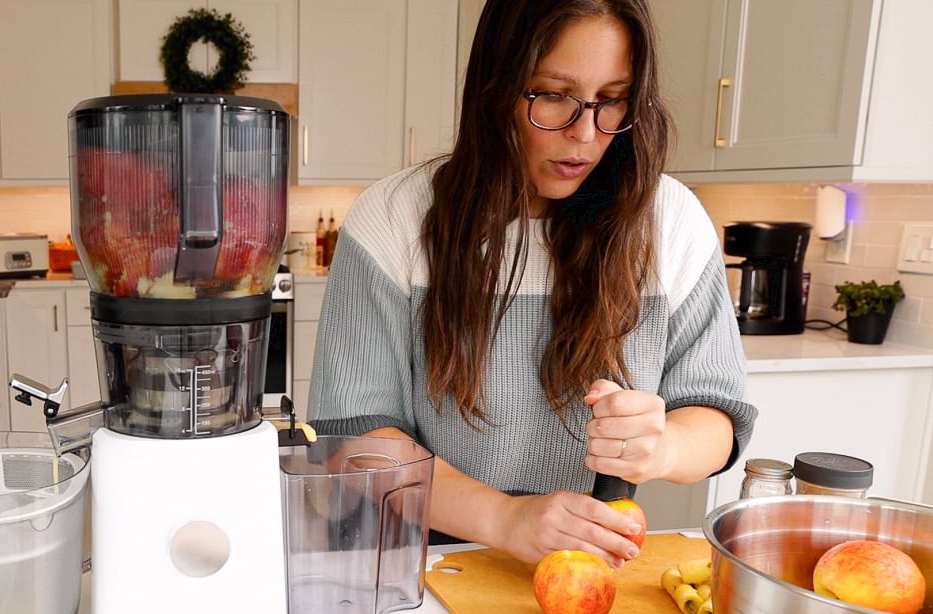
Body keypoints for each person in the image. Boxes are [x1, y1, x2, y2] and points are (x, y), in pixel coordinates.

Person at [306, 0, 757, 569]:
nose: (586, 134)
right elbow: (356, 440)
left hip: (584, 566)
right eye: (553, 96)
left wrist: (663, 445)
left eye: (612, 99)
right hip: (411, 568)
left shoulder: (672, 221)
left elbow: (716, 415)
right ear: (496, 89)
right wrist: (503, 518)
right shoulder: (392, 219)